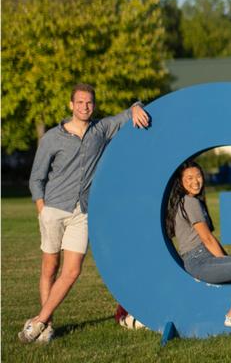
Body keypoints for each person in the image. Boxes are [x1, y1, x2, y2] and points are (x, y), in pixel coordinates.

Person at [20, 83, 150, 343]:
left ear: (94, 104)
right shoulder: (52, 138)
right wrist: (42, 210)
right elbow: (36, 178)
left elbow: (129, 113)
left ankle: (39, 321)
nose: (84, 107)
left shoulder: (100, 130)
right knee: (50, 268)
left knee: (72, 271)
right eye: (79, 102)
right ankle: (47, 326)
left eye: (89, 102)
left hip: (83, 212)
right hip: (54, 209)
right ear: (71, 105)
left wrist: (136, 106)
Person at [163, 161, 231, 330]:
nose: (195, 182)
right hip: (200, 260)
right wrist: (225, 260)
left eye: (198, 176)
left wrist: (226, 262)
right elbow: (207, 239)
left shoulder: (188, 201)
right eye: (189, 178)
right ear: (180, 182)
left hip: (200, 259)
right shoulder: (190, 202)